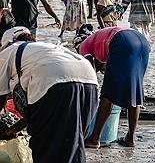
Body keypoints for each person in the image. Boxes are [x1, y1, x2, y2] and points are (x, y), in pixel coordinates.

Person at [0, 27, 98, 163]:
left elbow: (1, 98)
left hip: (55, 81)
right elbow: (40, 112)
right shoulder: (43, 50)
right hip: (89, 81)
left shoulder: (7, 52)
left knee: (46, 147)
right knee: (73, 143)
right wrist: (14, 129)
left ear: (6, 44)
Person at [74, 25, 150, 148]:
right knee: (135, 90)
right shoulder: (98, 39)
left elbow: (88, 73)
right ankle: (130, 139)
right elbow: (99, 66)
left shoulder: (84, 46)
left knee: (108, 93)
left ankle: (94, 139)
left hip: (122, 41)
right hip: (142, 42)